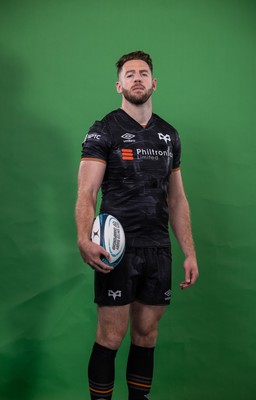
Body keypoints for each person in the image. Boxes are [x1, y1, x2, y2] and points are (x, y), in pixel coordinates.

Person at [75, 50, 199, 400]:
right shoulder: (104, 130)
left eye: (143, 73)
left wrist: (189, 252)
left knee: (146, 334)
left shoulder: (169, 135)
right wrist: (84, 238)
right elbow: (87, 191)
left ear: (154, 82)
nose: (137, 78)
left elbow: (177, 200)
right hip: (116, 249)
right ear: (119, 85)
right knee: (111, 336)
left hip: (158, 248)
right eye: (130, 74)